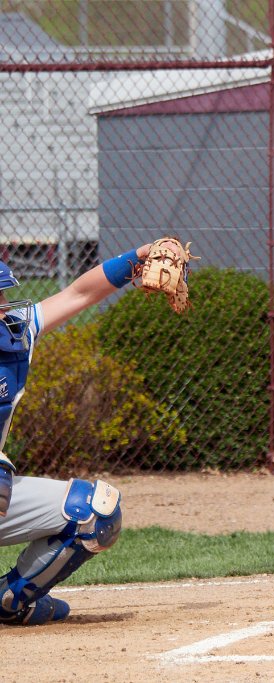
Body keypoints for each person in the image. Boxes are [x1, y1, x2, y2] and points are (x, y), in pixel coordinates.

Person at [0, 243, 158, 625]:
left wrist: (137, 258)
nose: (6, 308)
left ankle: (9, 599)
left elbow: (79, 293)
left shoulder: (15, 335)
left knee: (95, 511)